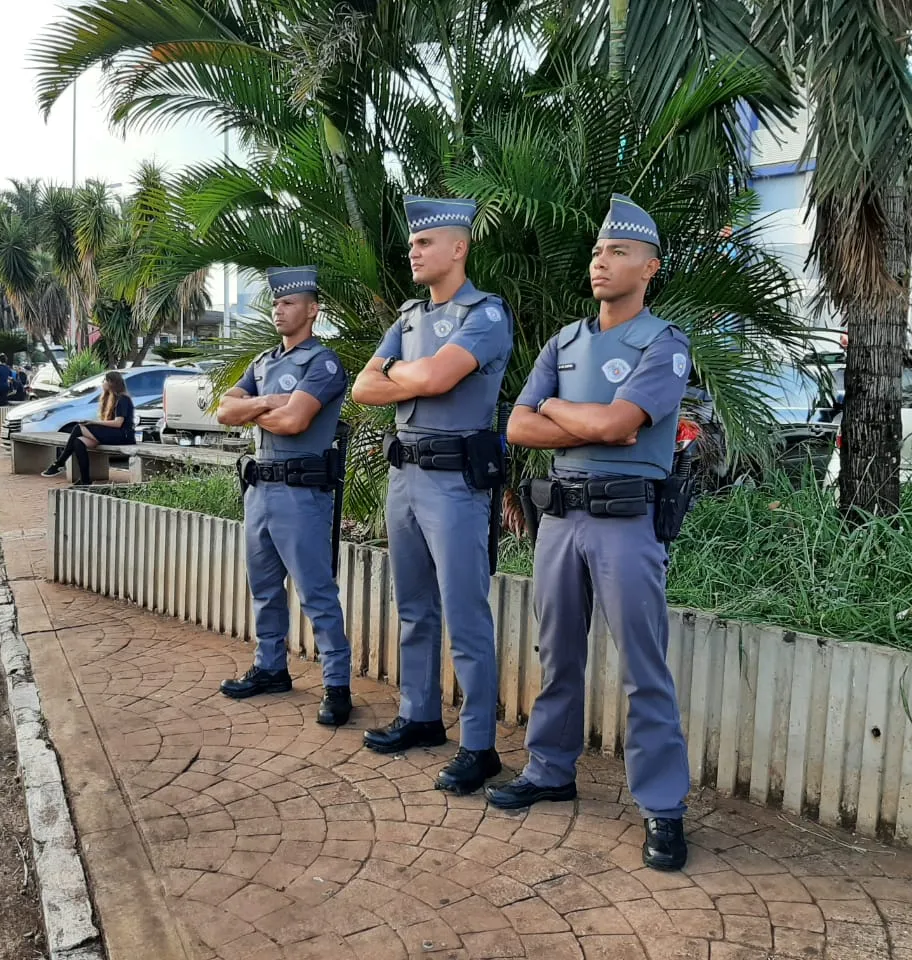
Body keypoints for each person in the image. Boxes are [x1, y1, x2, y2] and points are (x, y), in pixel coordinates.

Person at [485, 194, 693, 873]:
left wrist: (560, 410)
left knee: (644, 664)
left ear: (650, 267)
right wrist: (577, 413)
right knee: (557, 651)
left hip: (627, 522)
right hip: (560, 520)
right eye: (600, 251)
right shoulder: (564, 342)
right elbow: (517, 427)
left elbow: (620, 427)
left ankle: (662, 807)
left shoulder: (664, 344)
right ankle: (549, 769)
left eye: (620, 252)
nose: (603, 262)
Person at [351, 196, 513, 795]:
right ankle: (420, 715)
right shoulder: (409, 319)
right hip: (406, 478)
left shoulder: (486, 315)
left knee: (466, 615)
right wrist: (405, 377)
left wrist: (399, 376)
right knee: (414, 608)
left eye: (424, 243)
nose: (412, 251)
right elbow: (363, 388)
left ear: (458, 248)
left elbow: (438, 378)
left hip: (455, 484)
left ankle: (479, 745)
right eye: (412, 243)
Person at [214, 267, 354, 727]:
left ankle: (337, 685)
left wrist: (254, 410)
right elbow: (223, 411)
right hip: (260, 490)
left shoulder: (323, 363)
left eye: (289, 303)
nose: (279, 309)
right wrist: (269, 404)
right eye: (276, 303)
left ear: (312, 310)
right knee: (264, 589)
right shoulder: (263, 362)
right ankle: (271, 667)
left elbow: (296, 423)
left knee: (317, 593)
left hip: (302, 494)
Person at [40, 371, 135, 485]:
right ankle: (85, 480)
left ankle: (59, 463)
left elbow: (118, 423)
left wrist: (94, 423)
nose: (102, 383)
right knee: (78, 442)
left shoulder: (123, 399)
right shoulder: (111, 398)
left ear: (111, 383)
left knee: (79, 428)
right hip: (115, 434)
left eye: (104, 381)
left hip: (123, 436)